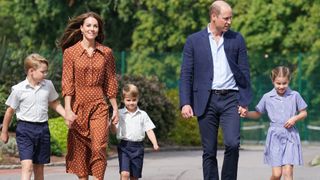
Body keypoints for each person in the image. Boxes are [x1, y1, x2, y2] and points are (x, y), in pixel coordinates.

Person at [179, 1, 252, 180]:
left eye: (231, 18)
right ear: (213, 16)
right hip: (206, 100)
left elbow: (244, 72)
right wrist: (185, 102)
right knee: (209, 150)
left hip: (231, 99)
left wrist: (244, 101)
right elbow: (186, 74)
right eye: (226, 18)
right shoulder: (193, 41)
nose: (230, 21)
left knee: (233, 144)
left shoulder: (237, 39)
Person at [58, 12, 119, 180]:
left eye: (95, 26)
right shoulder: (70, 53)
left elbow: (111, 81)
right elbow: (67, 82)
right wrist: (68, 110)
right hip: (78, 106)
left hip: (99, 104)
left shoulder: (106, 53)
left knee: (99, 146)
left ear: (98, 30)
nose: (92, 29)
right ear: (81, 28)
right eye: (89, 25)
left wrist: (115, 108)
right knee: (80, 150)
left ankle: (99, 178)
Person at [0, 53, 69, 180]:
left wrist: (66, 115)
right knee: (28, 167)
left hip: (43, 129)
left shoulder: (48, 85)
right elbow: (10, 111)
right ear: (31, 71)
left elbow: (54, 102)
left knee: (39, 169)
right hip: (25, 130)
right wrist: (4, 132)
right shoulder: (18, 89)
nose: (46, 74)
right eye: (43, 72)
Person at [245, 66, 307, 180]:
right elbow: (258, 113)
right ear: (273, 81)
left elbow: (303, 113)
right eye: (278, 83)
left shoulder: (295, 95)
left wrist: (294, 118)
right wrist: (246, 113)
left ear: (289, 81)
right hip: (275, 137)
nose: (281, 86)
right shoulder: (267, 97)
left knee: (288, 172)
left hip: (290, 136)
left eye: (284, 83)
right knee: (277, 174)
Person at [111, 84, 159, 180]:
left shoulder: (143, 115)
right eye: (128, 100)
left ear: (137, 99)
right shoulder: (119, 114)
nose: (131, 103)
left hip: (138, 148)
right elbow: (113, 132)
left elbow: (149, 130)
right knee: (124, 174)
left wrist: (155, 143)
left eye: (134, 100)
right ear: (123, 100)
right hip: (124, 146)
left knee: (134, 176)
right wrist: (112, 124)